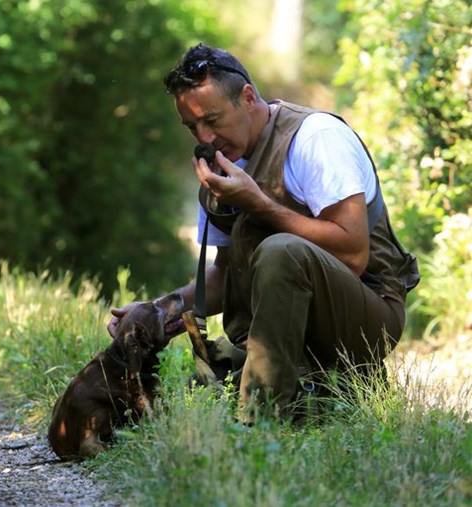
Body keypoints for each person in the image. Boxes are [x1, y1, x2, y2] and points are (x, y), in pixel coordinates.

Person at [107, 43, 418, 421]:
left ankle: (261, 420)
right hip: (278, 336)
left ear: (248, 97)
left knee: (281, 250)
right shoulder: (220, 170)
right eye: (193, 127)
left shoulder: (315, 138)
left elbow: (353, 254)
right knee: (181, 399)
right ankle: (319, 392)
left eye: (213, 119)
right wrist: (157, 312)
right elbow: (225, 276)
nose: (204, 138)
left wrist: (259, 204)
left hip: (368, 316)